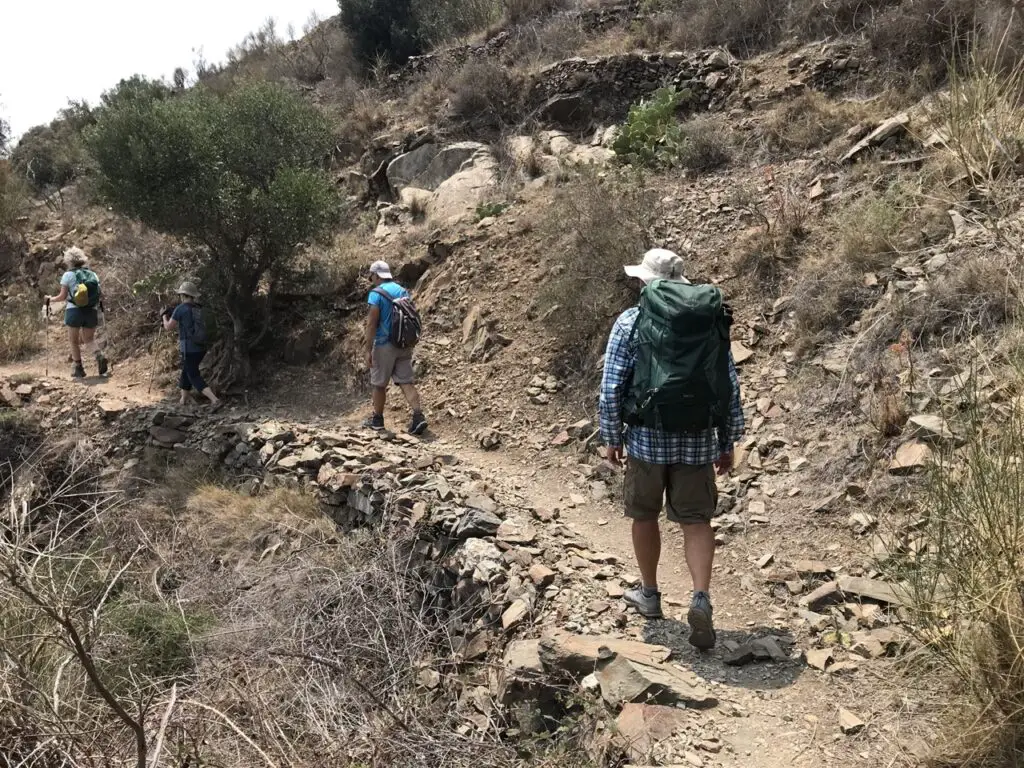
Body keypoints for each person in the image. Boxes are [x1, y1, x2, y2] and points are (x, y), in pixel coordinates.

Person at [598, 248, 745, 651]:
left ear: (646, 281)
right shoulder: (708, 322)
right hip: (697, 439)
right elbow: (727, 383)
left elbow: (613, 385)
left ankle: (649, 594)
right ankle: (700, 597)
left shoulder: (631, 321)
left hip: (646, 439)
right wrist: (727, 439)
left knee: (644, 515)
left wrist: (611, 436)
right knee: (696, 521)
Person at [363, 260, 427, 434]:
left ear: (376, 275)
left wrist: (368, 349)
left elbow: (371, 324)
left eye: (371, 276)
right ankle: (418, 416)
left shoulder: (375, 294)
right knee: (406, 381)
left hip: (384, 345)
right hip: (404, 343)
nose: (371, 279)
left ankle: (377, 420)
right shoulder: (401, 290)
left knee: (379, 384)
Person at [45, 246, 109, 379]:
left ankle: (78, 368)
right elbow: (101, 294)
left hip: (73, 311)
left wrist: (50, 299)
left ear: (69, 261)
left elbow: (62, 297)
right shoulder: (93, 275)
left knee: (73, 341)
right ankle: (99, 356)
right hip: (91, 310)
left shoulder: (68, 275)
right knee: (89, 339)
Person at [161, 281, 223, 412]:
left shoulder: (180, 309)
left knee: (193, 374)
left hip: (189, 349)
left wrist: (163, 316)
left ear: (183, 295)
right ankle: (183, 400)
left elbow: (168, 327)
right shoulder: (198, 307)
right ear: (193, 296)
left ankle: (214, 400)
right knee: (187, 371)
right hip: (202, 347)